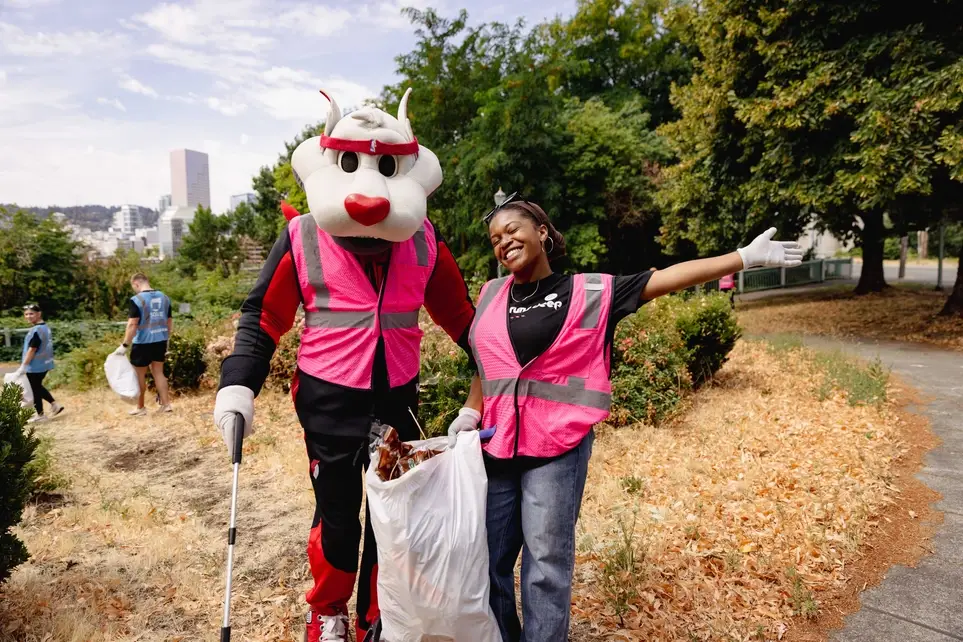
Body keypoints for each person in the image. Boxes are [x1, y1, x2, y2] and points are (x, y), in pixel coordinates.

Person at [447, 194, 803, 642]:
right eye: (495, 238)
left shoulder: (591, 291)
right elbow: (488, 360)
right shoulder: (492, 293)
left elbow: (667, 278)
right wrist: (470, 408)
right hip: (496, 447)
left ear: (541, 232)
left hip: (556, 449)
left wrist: (742, 258)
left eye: (513, 230)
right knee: (486, 559)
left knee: (545, 567)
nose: (503, 241)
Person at [212, 88, 480, 642]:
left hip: (397, 399)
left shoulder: (425, 241)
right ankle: (329, 614)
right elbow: (263, 319)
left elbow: (463, 320)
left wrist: (499, 376)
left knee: (395, 514)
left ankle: (381, 614)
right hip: (329, 400)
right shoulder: (302, 236)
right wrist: (238, 386)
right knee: (337, 515)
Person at [115, 273, 173, 415]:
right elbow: (169, 321)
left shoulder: (136, 300)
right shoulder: (165, 297)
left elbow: (132, 324)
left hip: (142, 342)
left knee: (139, 375)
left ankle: (140, 408)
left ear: (136, 284)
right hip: (160, 340)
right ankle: (166, 405)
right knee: (158, 372)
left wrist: (124, 345)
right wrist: (167, 339)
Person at [13, 304, 64, 423]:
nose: (28, 316)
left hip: (35, 365)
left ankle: (40, 415)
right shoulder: (45, 327)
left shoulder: (36, 330)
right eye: (26, 314)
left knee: (34, 389)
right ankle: (54, 404)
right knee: (37, 387)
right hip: (44, 364)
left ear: (39, 314)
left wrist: (24, 366)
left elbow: (32, 349)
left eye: (31, 313)